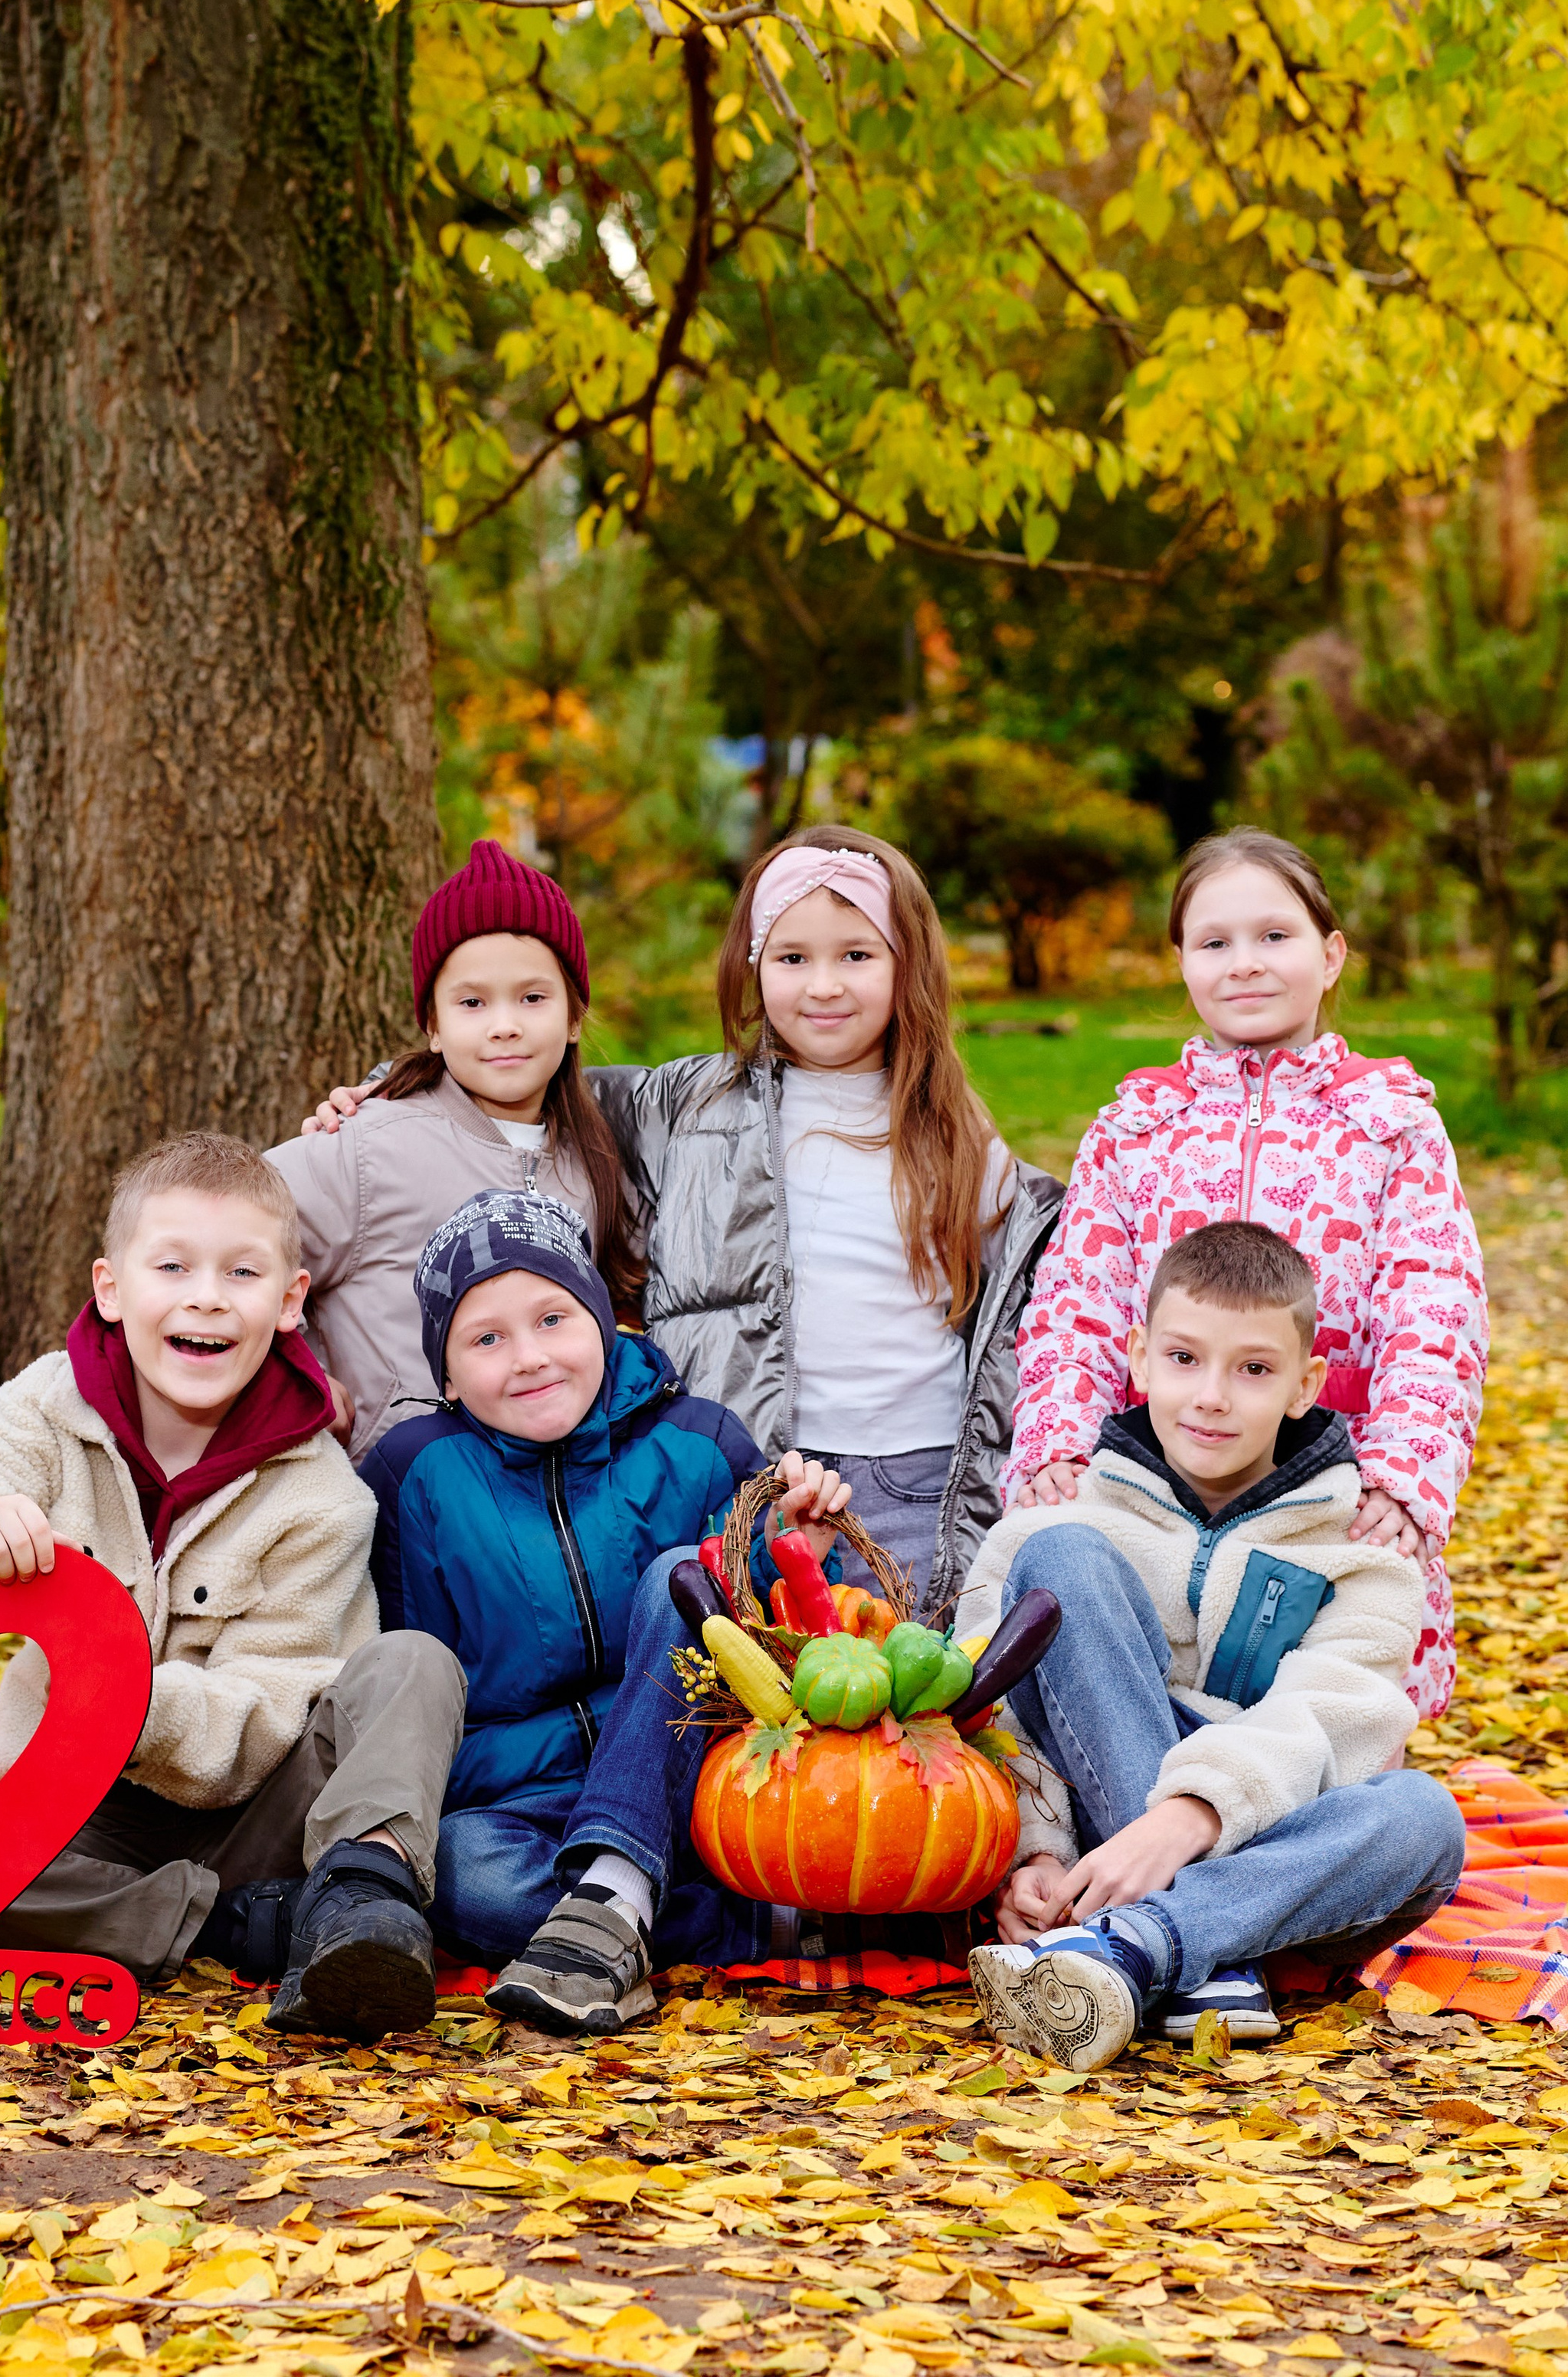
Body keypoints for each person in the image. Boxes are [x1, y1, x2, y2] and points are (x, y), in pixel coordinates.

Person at [314, 826, 1062, 1612]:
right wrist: (390, 1090)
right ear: (753, 966)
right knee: (755, 1701)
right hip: (750, 1471)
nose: (823, 985)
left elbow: (1023, 1294)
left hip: (918, 1473)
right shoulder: (688, 1105)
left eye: (856, 955)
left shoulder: (955, 1132)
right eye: (792, 958)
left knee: (905, 1694)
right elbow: (522, 1075)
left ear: (907, 963)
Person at [0, 1132, 466, 2042]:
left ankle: (357, 1899)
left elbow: (272, 1706)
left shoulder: (321, 1490)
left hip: (256, 1818)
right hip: (74, 1821)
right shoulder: (47, 1408)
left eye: (242, 1273)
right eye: (171, 1265)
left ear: (291, 1301)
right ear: (111, 1287)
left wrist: (124, 1705)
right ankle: (238, 1927)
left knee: (412, 1664)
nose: (206, 1295)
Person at [961, 1219, 1468, 2071]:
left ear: (1305, 1384)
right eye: (1184, 1359)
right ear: (1137, 1357)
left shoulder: (1364, 1562)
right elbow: (985, 1711)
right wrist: (1036, 1855)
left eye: (1254, 1371)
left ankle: (1140, 1944)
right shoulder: (1043, 1530)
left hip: (1266, 1845)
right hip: (1094, 1842)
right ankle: (1193, 1957)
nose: (1211, 1396)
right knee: (1065, 1564)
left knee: (1423, 1818)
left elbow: (1330, 1721)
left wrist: (1187, 1818)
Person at [1006, 827, 1488, 1717]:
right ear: (1183, 962)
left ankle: (1327, 1827)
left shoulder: (1389, 1126)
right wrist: (1058, 1443)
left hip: (1327, 1480)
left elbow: (1435, 1313)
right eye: (1213, 943)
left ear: (1331, 953)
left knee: (1321, 1704)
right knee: (1151, 1692)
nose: (1245, 965)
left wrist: (1401, 1478)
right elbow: (1077, 1300)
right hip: (1160, 1466)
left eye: (1275, 936)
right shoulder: (1137, 1128)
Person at [362, 1185, 850, 2035]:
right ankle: (691, 1917)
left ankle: (613, 1902)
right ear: (444, 1372)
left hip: (691, 1783)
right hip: (522, 1803)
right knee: (462, 1876)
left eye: (553, 1318)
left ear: (602, 1317)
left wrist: (794, 1544)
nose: (528, 1357)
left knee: (678, 1576)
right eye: (486, 1339)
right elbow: (421, 1690)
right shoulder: (415, 1474)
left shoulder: (700, 1442)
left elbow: (778, 1644)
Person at [267, 839, 643, 1463]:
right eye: (473, 1003)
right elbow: (231, 1244)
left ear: (575, 1016)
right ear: (434, 1026)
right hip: (392, 1500)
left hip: (541, 1511)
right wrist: (300, 1380)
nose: (504, 1024)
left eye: (533, 998)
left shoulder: (592, 1163)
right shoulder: (368, 1145)